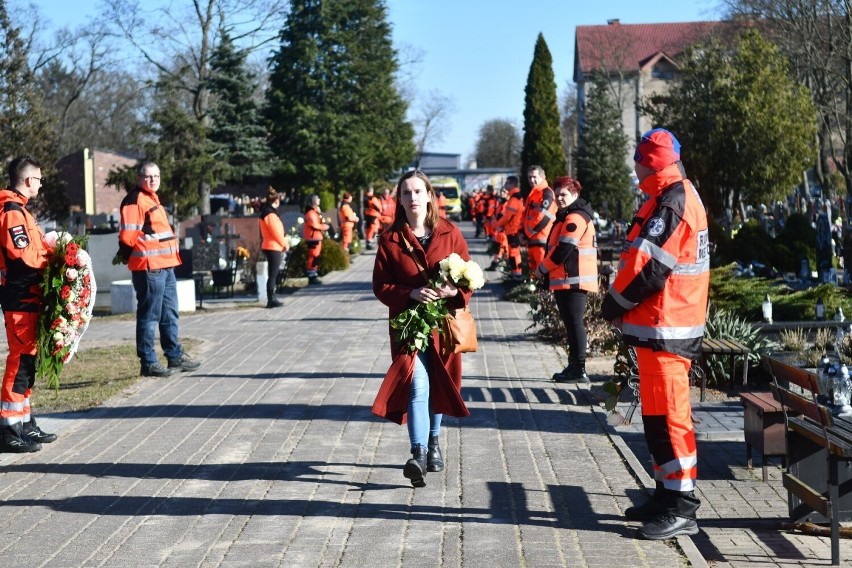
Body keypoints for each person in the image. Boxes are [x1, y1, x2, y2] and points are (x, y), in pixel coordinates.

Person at [600, 129, 709, 540]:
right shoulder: (670, 196)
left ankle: (682, 506)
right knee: (658, 419)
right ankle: (666, 495)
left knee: (670, 419)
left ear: (651, 162)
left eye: (638, 160)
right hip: (661, 328)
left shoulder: (672, 200)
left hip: (668, 329)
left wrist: (612, 306)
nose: (635, 167)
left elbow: (648, 267)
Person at [372, 170, 473, 488]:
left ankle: (434, 441)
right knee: (417, 384)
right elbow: (380, 285)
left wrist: (453, 292)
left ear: (429, 195)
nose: (412, 198)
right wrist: (410, 293)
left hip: (443, 324)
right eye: (405, 193)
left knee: (441, 381)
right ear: (399, 200)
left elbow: (469, 276)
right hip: (408, 324)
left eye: (418, 191)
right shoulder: (390, 240)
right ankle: (417, 453)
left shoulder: (450, 233)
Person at [119, 162, 201, 378]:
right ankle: (148, 362)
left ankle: (174, 356)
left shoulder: (151, 198)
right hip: (150, 268)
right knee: (150, 315)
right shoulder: (135, 200)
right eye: (148, 177)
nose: (153, 180)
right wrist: (129, 256)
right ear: (139, 178)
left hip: (165, 266)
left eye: (156, 175)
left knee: (170, 313)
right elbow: (127, 237)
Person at [0, 156, 58, 452]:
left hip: (30, 293)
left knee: (29, 359)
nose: (40, 183)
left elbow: (33, 248)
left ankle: (24, 421)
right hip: (20, 294)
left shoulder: (22, 210)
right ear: (26, 180)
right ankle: (8, 428)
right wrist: (54, 259)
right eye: (38, 179)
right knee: (21, 358)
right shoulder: (11, 211)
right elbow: (22, 255)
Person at [535, 176, 598, 383]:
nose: (559, 198)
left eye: (564, 195)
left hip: (573, 279)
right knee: (571, 325)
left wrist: (542, 268)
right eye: (557, 195)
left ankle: (579, 369)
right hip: (567, 278)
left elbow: (563, 250)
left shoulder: (575, 218)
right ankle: (574, 367)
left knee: (574, 324)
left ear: (575, 195)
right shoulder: (567, 215)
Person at [259, 186, 289, 308]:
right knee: (273, 274)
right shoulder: (270, 214)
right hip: (273, 246)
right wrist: (285, 244)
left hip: (271, 245)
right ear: (276, 201)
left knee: (273, 273)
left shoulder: (268, 213)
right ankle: (271, 299)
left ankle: (272, 297)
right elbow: (276, 232)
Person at [523, 165, 557, 273]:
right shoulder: (533, 194)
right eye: (529, 177)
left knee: (541, 273)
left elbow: (541, 218)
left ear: (543, 177)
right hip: (533, 239)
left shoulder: (546, 193)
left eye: (534, 177)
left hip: (542, 240)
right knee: (534, 273)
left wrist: (527, 233)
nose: (531, 180)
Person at [495, 176, 525, 280]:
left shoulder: (514, 198)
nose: (505, 185)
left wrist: (499, 224)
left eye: (507, 183)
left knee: (514, 253)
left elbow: (508, 216)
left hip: (513, 230)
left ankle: (517, 276)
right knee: (513, 253)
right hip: (513, 229)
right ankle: (516, 274)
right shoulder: (515, 197)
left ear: (512, 184)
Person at [303, 194, 329, 285]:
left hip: (316, 236)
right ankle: (311, 275)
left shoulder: (315, 212)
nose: (319, 200)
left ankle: (314, 273)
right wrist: (324, 227)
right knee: (313, 256)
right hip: (312, 237)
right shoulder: (310, 213)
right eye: (317, 198)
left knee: (315, 256)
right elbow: (314, 225)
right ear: (313, 201)